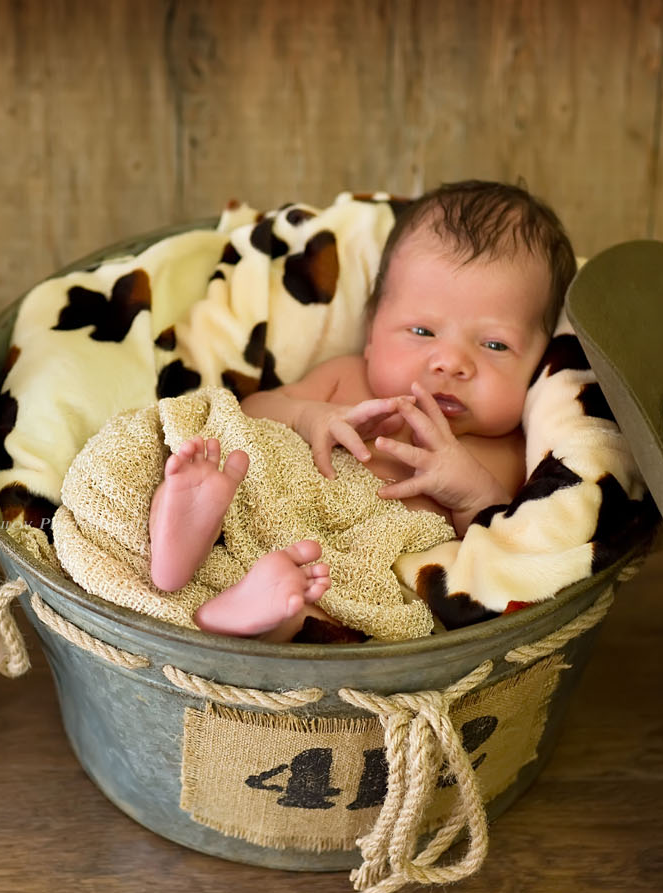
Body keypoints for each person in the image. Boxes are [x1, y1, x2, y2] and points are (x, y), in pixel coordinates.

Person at [148, 181, 577, 640]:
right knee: (210, 464)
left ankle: (244, 613)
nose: (450, 362)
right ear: (373, 332)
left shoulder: (514, 453)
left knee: (335, 610)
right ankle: (181, 540)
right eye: (421, 331)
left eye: (494, 344)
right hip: (267, 510)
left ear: (542, 361)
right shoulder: (346, 378)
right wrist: (310, 417)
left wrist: (472, 496)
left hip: (346, 572)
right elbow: (252, 413)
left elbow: (503, 555)